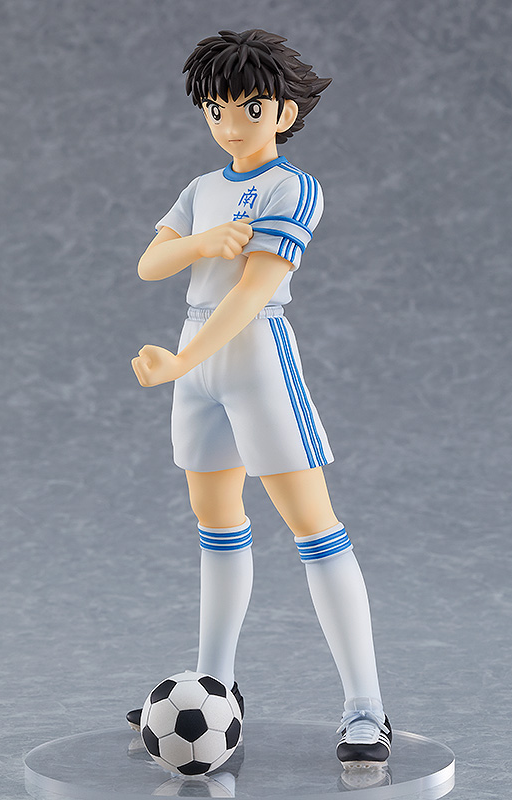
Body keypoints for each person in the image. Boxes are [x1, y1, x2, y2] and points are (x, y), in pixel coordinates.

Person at [129, 29, 391, 769]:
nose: (230, 123)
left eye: (248, 106)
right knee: (216, 522)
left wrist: (182, 359)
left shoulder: (291, 187)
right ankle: (216, 687)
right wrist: (202, 244)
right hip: (196, 355)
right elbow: (151, 262)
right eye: (216, 109)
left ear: (284, 111)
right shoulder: (202, 188)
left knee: (314, 527)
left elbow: (252, 292)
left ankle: (366, 706)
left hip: (254, 357)